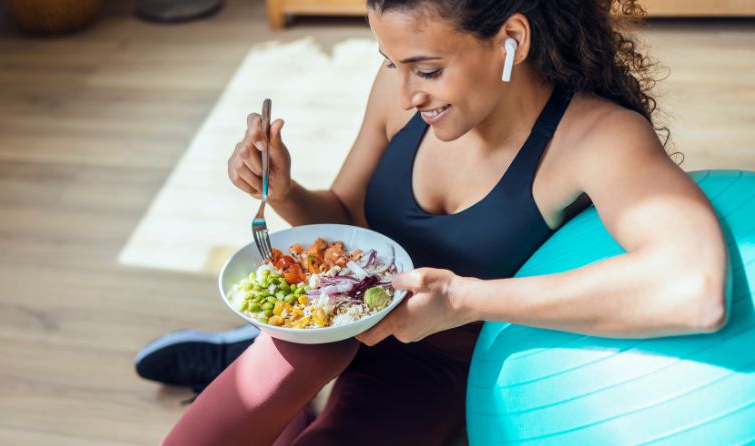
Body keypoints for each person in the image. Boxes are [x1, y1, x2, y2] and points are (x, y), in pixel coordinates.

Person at [147, 0, 729, 444]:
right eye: (390, 64)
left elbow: (695, 295)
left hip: (437, 363)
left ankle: (274, 386)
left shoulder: (596, 139)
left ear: (512, 39)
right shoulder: (399, 93)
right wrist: (286, 190)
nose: (404, 94)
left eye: (426, 70)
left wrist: (464, 300)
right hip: (334, 320)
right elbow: (350, 220)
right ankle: (263, 366)